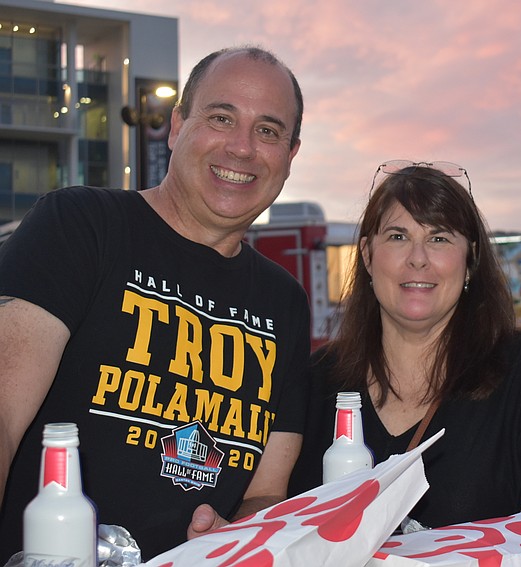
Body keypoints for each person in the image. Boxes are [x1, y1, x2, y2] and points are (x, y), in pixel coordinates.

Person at [0, 46, 310, 559]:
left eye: (268, 131)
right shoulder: (79, 226)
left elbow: (265, 491)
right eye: (221, 117)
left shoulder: (285, 303)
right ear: (177, 124)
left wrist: (237, 538)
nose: (242, 147)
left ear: (290, 156)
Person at [288, 160, 521, 529]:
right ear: (367, 255)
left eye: (439, 238)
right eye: (398, 237)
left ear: (470, 260)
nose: (418, 259)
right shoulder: (318, 381)